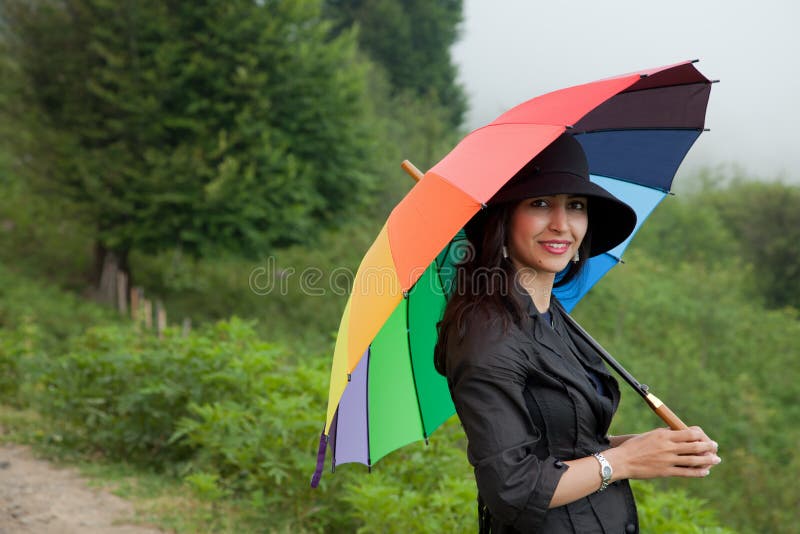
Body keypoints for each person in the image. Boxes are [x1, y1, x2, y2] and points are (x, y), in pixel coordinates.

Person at [433, 134, 720, 533]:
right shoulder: (487, 336)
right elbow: (512, 488)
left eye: (576, 206)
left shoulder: (553, 318)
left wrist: (653, 448)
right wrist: (625, 462)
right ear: (502, 219)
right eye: (540, 204)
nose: (562, 224)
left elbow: (567, 445)